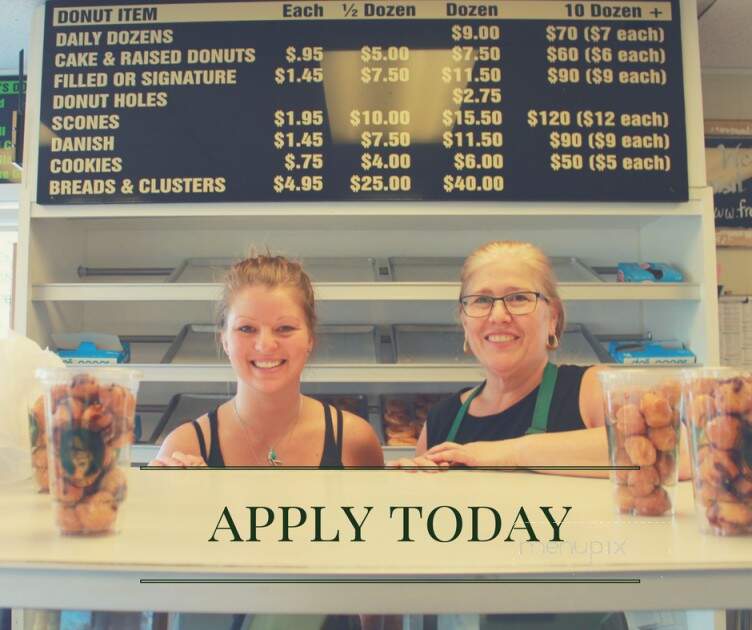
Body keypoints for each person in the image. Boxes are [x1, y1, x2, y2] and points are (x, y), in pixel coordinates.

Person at [391, 240, 690, 478]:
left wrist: (500, 454)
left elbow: (678, 448)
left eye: (518, 298)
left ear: (552, 317)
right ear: (465, 323)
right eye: (481, 300)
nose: (498, 316)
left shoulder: (589, 390)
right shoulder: (443, 419)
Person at [151, 253, 383, 469]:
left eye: (285, 328)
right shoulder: (184, 447)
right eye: (246, 328)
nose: (265, 345)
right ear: (225, 341)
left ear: (310, 339)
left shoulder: (355, 442)